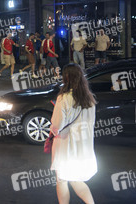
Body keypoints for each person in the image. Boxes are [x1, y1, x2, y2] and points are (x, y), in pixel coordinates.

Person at [50, 64, 97, 204]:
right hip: (84, 145)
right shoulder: (89, 99)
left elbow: (57, 124)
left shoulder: (64, 98)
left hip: (66, 145)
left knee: (62, 179)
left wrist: (53, 128)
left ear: (67, 78)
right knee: (76, 179)